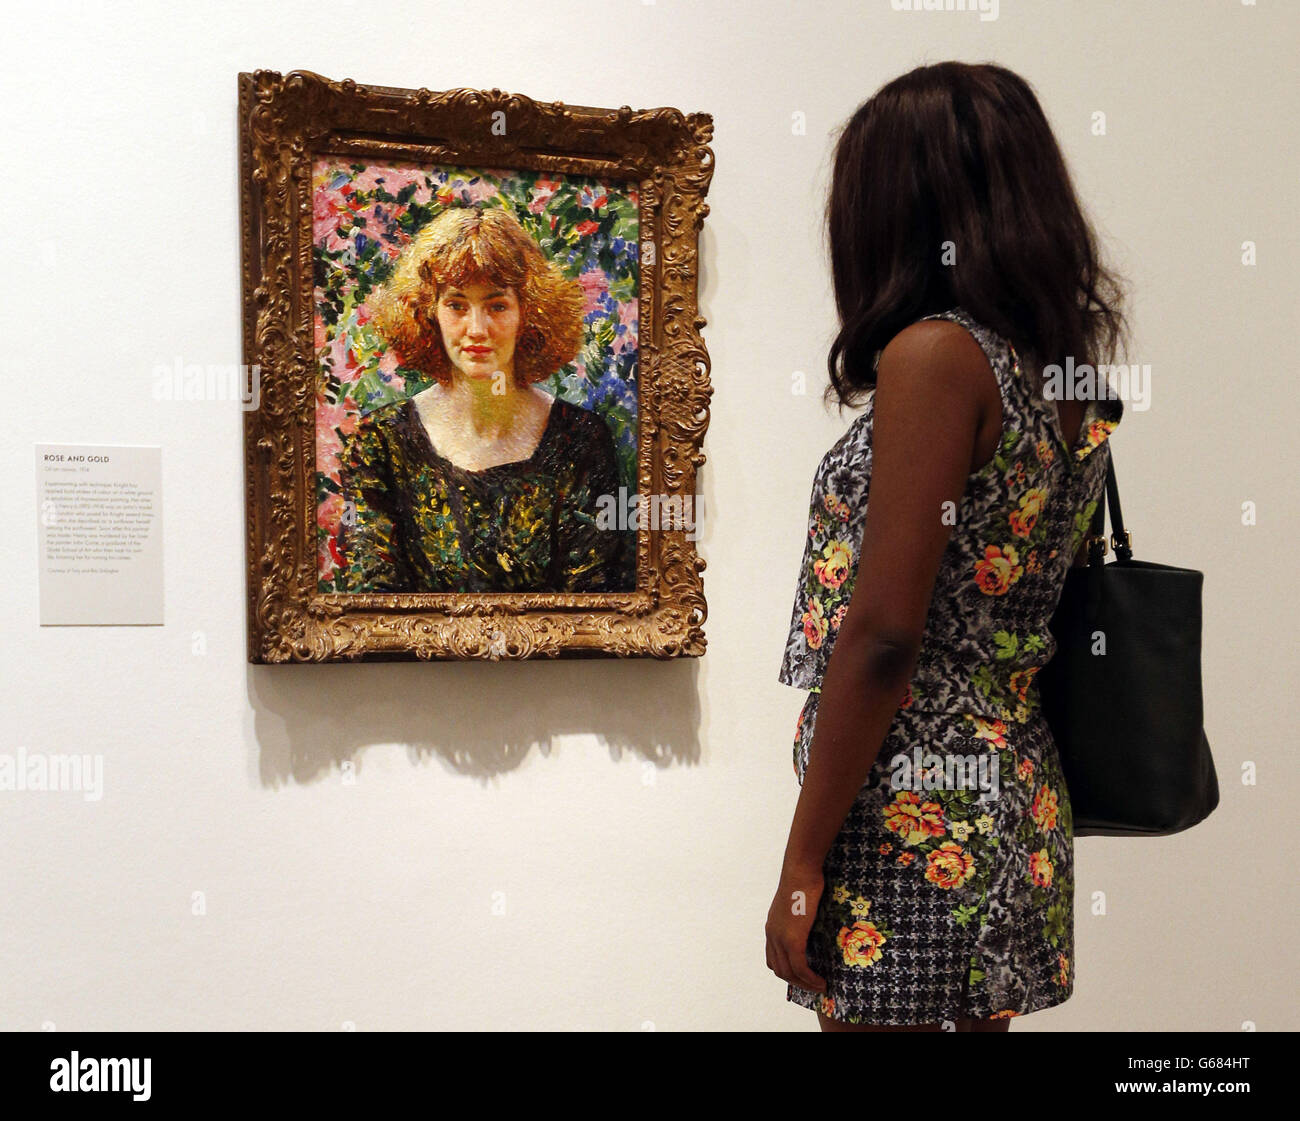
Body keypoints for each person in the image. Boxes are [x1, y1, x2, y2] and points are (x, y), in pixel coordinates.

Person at [766, 62, 1127, 1032]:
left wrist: (802, 860)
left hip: (915, 799)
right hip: (1011, 784)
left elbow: (884, 631)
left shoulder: (935, 356)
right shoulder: (1056, 373)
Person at [338, 204, 631, 593]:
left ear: (527, 313)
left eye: (497, 306)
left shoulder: (580, 439)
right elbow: (371, 602)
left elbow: (594, 600)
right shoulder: (383, 441)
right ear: (430, 313)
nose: (476, 329)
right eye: (457, 305)